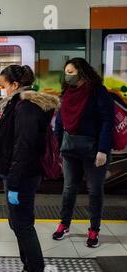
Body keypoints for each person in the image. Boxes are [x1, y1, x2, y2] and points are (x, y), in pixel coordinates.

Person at [0, 65, 59, 272]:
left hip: (22, 176)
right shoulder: (19, 104)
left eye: (3, 86)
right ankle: (28, 270)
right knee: (18, 223)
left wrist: (16, 184)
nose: (2, 90)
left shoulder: (26, 108)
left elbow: (24, 148)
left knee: (23, 226)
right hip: (18, 174)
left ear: (15, 85)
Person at [52, 58, 115, 248]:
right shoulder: (67, 93)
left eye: (71, 72)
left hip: (95, 150)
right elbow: (60, 122)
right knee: (69, 188)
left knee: (94, 191)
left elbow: (107, 121)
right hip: (70, 148)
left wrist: (103, 150)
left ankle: (94, 229)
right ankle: (65, 224)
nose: (67, 76)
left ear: (81, 72)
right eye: (66, 72)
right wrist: (56, 146)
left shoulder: (97, 92)